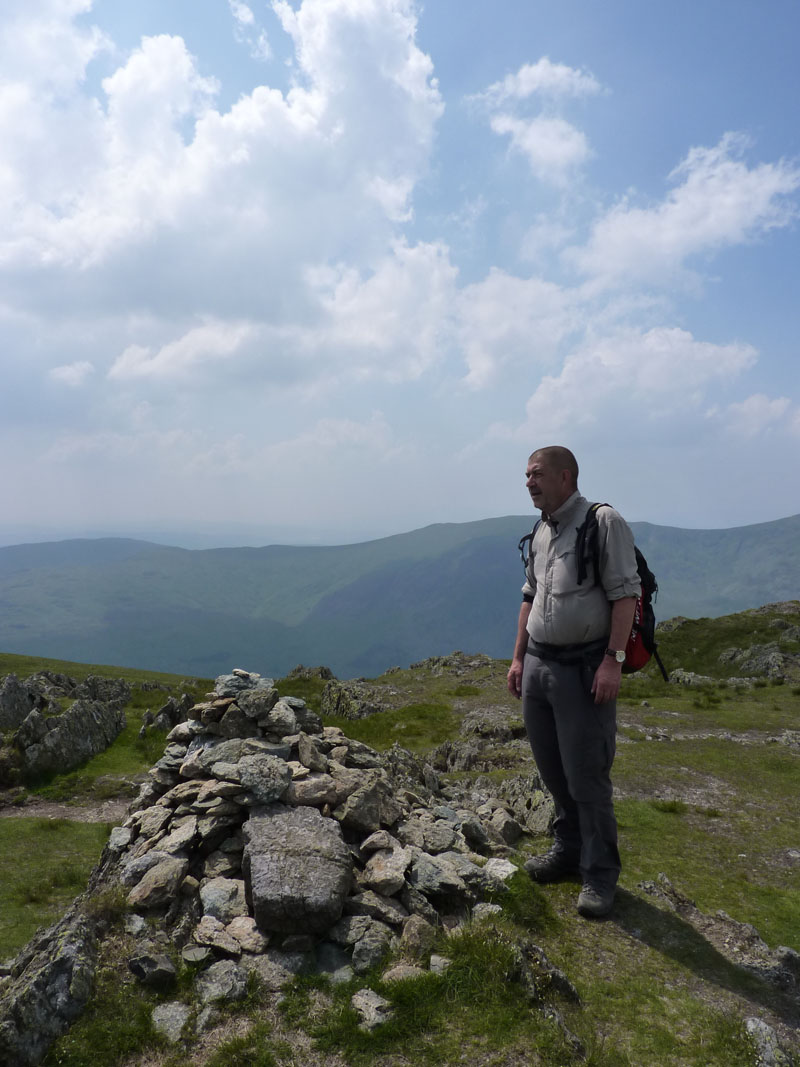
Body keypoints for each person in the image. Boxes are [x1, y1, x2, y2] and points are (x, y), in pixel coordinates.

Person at [506, 446, 640, 918]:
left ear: (566, 477)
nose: (528, 482)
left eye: (537, 474)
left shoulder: (603, 523)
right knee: (553, 773)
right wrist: (519, 658)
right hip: (540, 666)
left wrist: (613, 662)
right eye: (526, 475)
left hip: (584, 668)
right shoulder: (542, 529)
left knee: (587, 775)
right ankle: (567, 852)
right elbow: (530, 594)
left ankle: (600, 876)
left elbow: (626, 596)